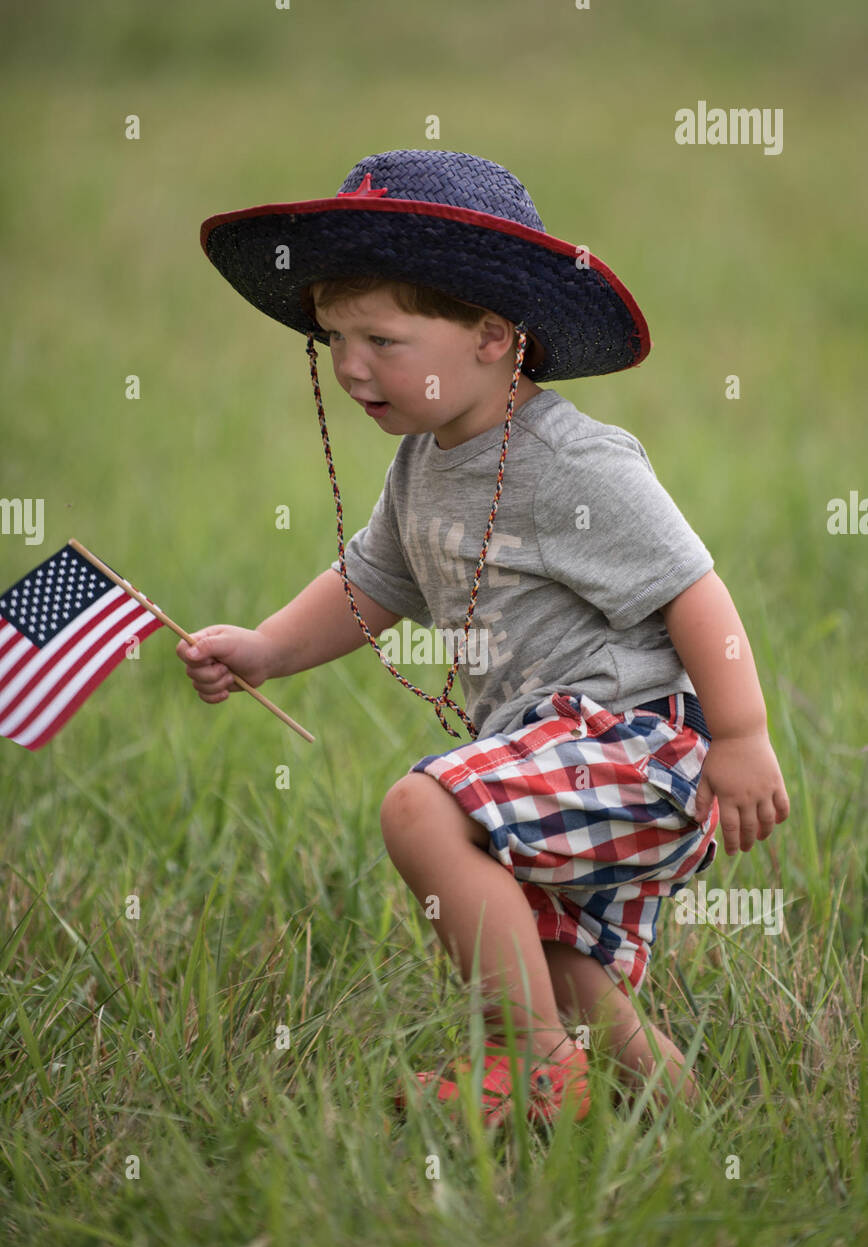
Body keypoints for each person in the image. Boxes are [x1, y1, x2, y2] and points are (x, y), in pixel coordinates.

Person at [178, 149, 790, 1127]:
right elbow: (370, 584)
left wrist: (744, 736)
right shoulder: (423, 463)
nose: (348, 365)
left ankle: (534, 1065)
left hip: (636, 744)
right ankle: (670, 1110)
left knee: (423, 812)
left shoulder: (573, 461)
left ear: (494, 338)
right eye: (332, 337)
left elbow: (693, 590)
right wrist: (262, 648)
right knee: (542, 946)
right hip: (550, 743)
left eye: (381, 336)